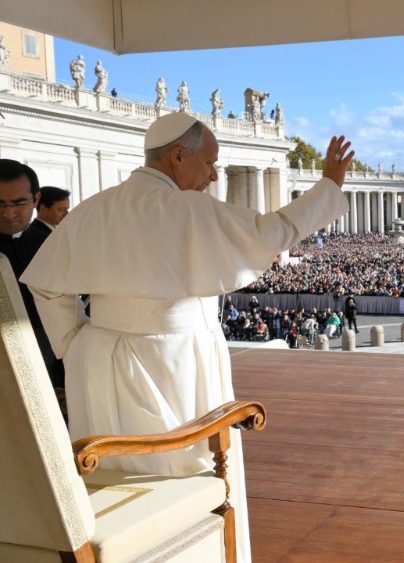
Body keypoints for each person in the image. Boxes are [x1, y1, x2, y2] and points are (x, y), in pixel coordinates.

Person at [21, 112, 353, 563]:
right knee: (185, 470)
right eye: (210, 163)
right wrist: (327, 189)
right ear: (178, 156)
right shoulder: (186, 209)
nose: (215, 176)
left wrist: (74, 343)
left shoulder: (94, 208)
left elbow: (45, 284)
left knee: (115, 473)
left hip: (96, 361)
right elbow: (270, 233)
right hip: (178, 359)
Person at [0, 160, 64, 406]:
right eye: (0, 204)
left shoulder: (51, 243)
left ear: (36, 199)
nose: (8, 213)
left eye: (18, 203)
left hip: (47, 352)